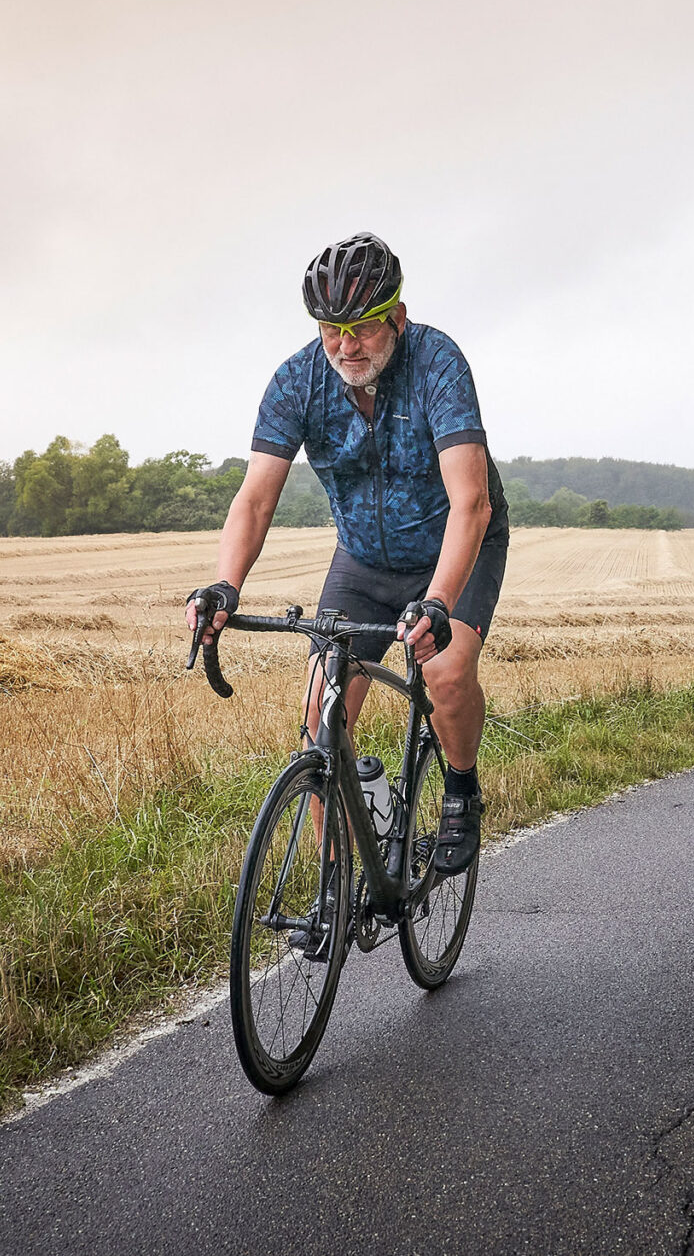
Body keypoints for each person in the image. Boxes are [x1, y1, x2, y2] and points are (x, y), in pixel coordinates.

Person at [187, 231, 509, 876]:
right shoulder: (297, 381)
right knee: (319, 713)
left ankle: (461, 789)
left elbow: (471, 503)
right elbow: (254, 500)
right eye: (331, 328)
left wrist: (440, 603)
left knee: (444, 674)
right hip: (362, 562)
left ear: (397, 315)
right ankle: (337, 887)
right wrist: (225, 586)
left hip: (455, 548)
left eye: (361, 327)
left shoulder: (438, 362)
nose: (345, 345)